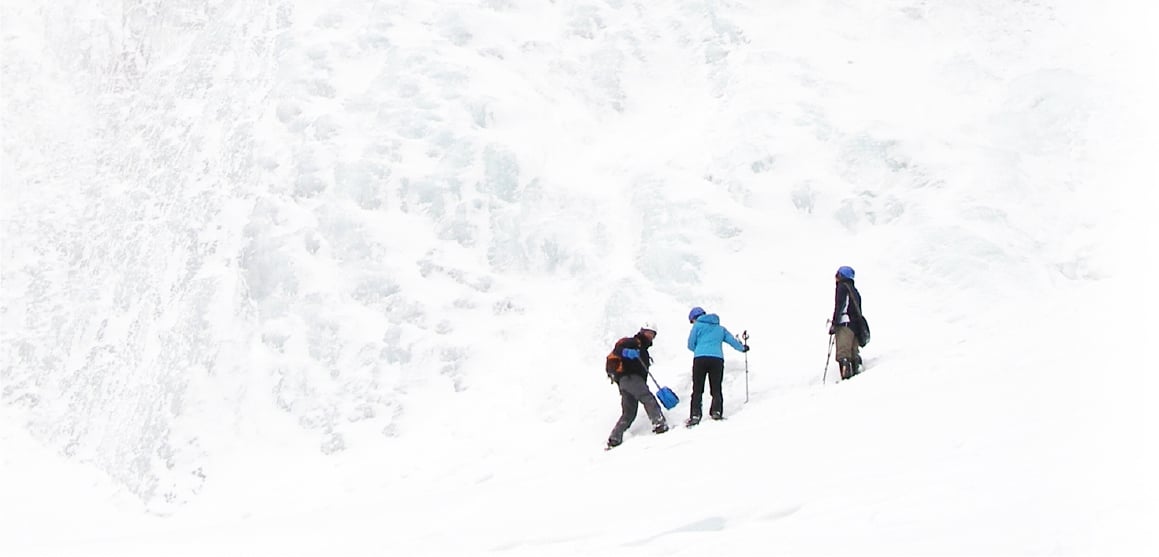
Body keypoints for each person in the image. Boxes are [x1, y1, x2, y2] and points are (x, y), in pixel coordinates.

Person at [607, 323, 669, 448]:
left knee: (629, 412)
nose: (651, 336)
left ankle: (615, 437)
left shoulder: (643, 350)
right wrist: (626, 352)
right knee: (647, 398)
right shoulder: (633, 342)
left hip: (624, 383)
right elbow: (617, 349)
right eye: (649, 333)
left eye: (653, 334)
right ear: (643, 331)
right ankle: (659, 423)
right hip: (631, 378)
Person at [685, 307, 748, 426]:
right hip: (717, 360)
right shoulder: (720, 328)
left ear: (694, 318)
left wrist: (699, 349)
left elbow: (690, 344)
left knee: (697, 388)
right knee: (716, 387)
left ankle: (695, 415)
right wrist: (743, 348)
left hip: (700, 359)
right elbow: (732, 341)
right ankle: (716, 411)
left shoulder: (697, 326)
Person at [829, 265, 864, 380]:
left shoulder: (842, 288)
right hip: (855, 326)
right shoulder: (854, 291)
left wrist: (835, 323)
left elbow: (840, 306)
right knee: (853, 353)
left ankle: (846, 379)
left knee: (843, 354)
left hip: (845, 324)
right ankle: (857, 374)